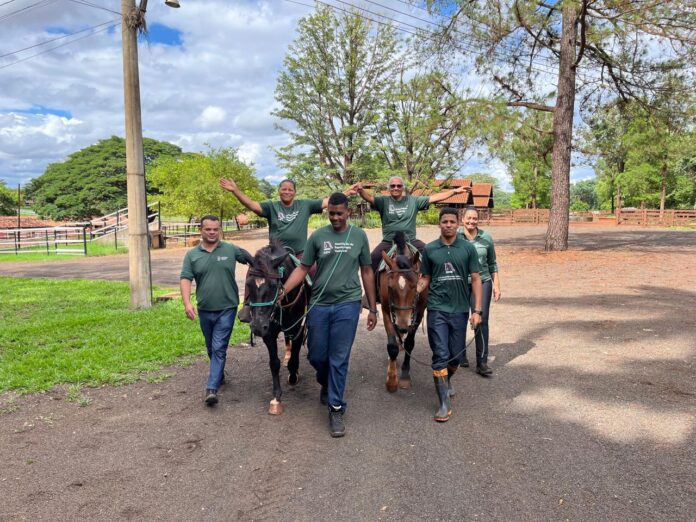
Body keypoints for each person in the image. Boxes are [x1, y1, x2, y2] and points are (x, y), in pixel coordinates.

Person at [281, 192, 378, 438]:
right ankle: (325, 380)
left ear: (348, 212)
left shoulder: (359, 236)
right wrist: (283, 291)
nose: (335, 217)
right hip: (320, 305)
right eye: (331, 213)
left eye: (339, 213)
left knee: (339, 357)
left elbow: (367, 270)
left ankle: (336, 408)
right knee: (316, 355)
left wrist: (373, 307)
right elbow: (303, 269)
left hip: (348, 304)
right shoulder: (318, 236)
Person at [219, 177, 354, 322]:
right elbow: (252, 205)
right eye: (284, 189)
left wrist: (345, 193)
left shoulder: (305, 205)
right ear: (279, 191)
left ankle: (315, 307)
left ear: (295, 192)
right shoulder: (271, 207)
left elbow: (327, 202)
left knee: (315, 271)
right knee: (255, 267)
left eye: (290, 189)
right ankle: (247, 304)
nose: (287, 191)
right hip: (274, 253)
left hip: (300, 253)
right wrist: (235, 191)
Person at [417, 207, 482, 422]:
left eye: (452, 222)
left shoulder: (467, 249)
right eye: (444, 221)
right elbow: (425, 277)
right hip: (436, 309)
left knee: (455, 355)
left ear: (457, 224)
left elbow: (475, 279)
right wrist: (414, 290)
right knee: (440, 355)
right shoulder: (430, 250)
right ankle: (443, 403)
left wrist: (477, 311)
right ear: (439, 224)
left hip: (460, 309)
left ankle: (447, 378)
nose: (448, 225)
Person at [180, 215, 252, 406]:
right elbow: (186, 278)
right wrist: (187, 303)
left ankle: (211, 389)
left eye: (215, 229)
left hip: (227, 308)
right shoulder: (192, 255)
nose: (212, 232)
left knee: (219, 347)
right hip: (204, 308)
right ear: (201, 230)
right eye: (208, 229)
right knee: (211, 347)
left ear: (219, 230)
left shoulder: (230, 249)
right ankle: (218, 375)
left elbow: (252, 261)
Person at [351, 176, 470, 274]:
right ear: (389, 188)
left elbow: (434, 198)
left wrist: (454, 191)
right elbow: (369, 198)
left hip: (411, 241)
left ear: (403, 187)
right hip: (388, 241)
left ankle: (435, 292)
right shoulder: (383, 201)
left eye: (399, 186)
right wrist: (360, 191)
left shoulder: (413, 201)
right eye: (392, 186)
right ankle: (369, 297)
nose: (396, 188)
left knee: (435, 256)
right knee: (370, 263)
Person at [458, 207, 501, 376]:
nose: (471, 221)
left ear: (478, 219)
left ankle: (482, 362)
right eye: (468, 218)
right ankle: (460, 355)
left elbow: (492, 263)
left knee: (481, 320)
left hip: (482, 282)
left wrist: (497, 284)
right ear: (463, 219)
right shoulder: (455, 236)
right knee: (459, 318)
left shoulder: (486, 238)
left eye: (474, 218)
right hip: (461, 283)